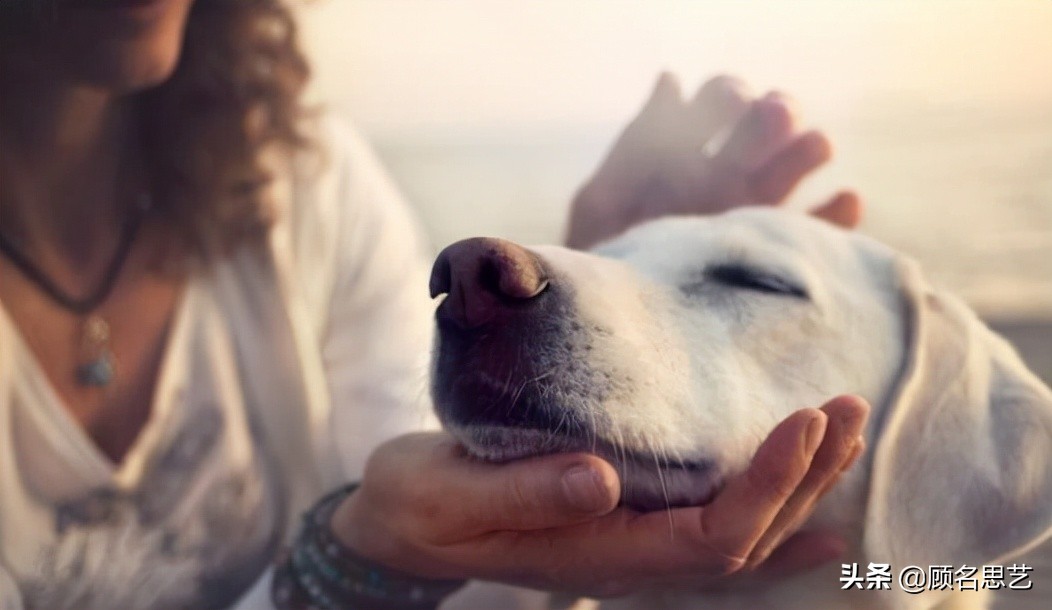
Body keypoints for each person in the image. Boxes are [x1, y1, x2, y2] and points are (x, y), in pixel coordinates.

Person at [0, 1, 868, 609]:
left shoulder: (302, 181)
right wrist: (354, 562)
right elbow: (405, 545)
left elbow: (471, 581)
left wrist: (611, 301)